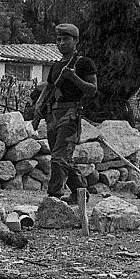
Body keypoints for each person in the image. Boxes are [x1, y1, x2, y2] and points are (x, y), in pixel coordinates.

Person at [45, 23, 98, 204]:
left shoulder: (83, 63)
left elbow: (92, 90)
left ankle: (54, 198)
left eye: (66, 39)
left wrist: (74, 77)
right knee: (63, 158)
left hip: (71, 113)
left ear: (76, 41)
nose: (61, 43)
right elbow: (49, 89)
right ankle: (80, 193)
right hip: (53, 114)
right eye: (58, 40)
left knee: (58, 158)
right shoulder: (55, 66)